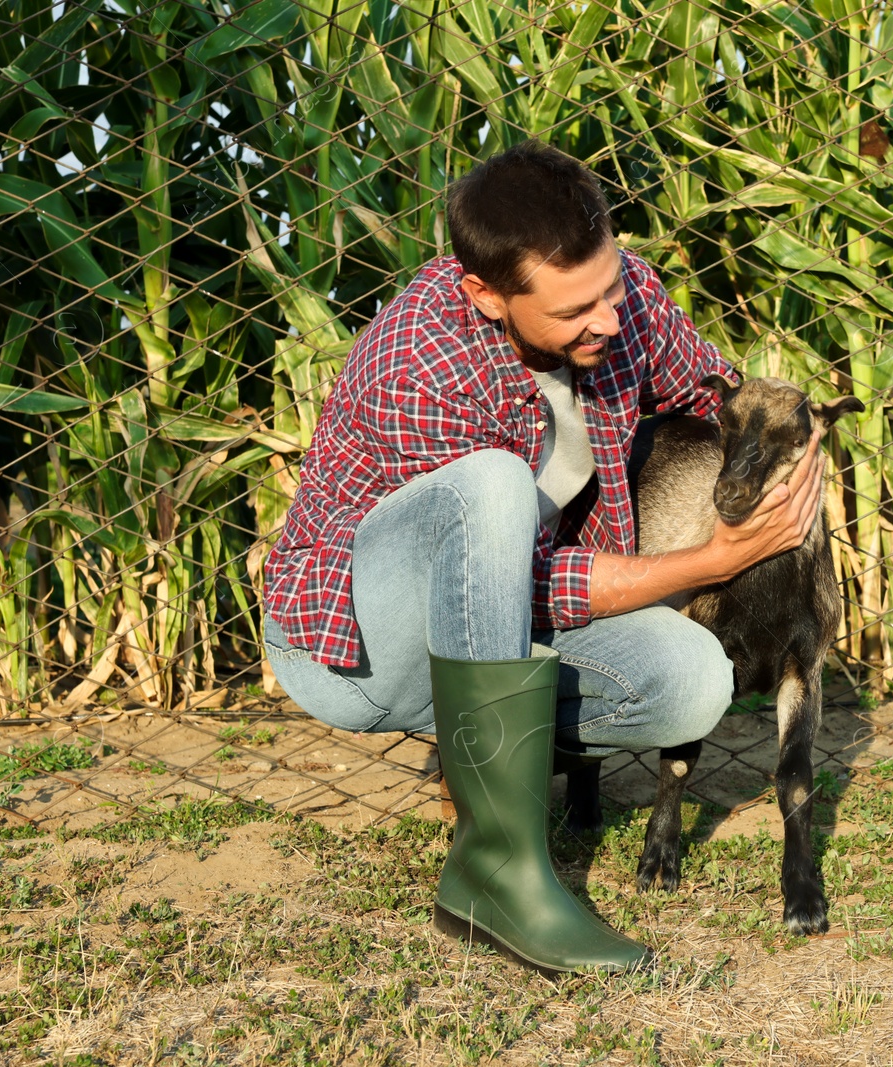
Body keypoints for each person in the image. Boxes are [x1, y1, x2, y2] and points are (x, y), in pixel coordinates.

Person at [261, 141, 824, 974]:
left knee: (694, 680)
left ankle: (502, 763)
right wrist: (709, 560)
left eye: (608, 289)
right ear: (485, 295)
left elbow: (715, 389)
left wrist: (795, 456)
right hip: (360, 645)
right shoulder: (422, 359)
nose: (605, 319)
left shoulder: (618, 298)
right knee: (489, 487)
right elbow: (512, 576)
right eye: (572, 311)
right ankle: (499, 870)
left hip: (513, 626)